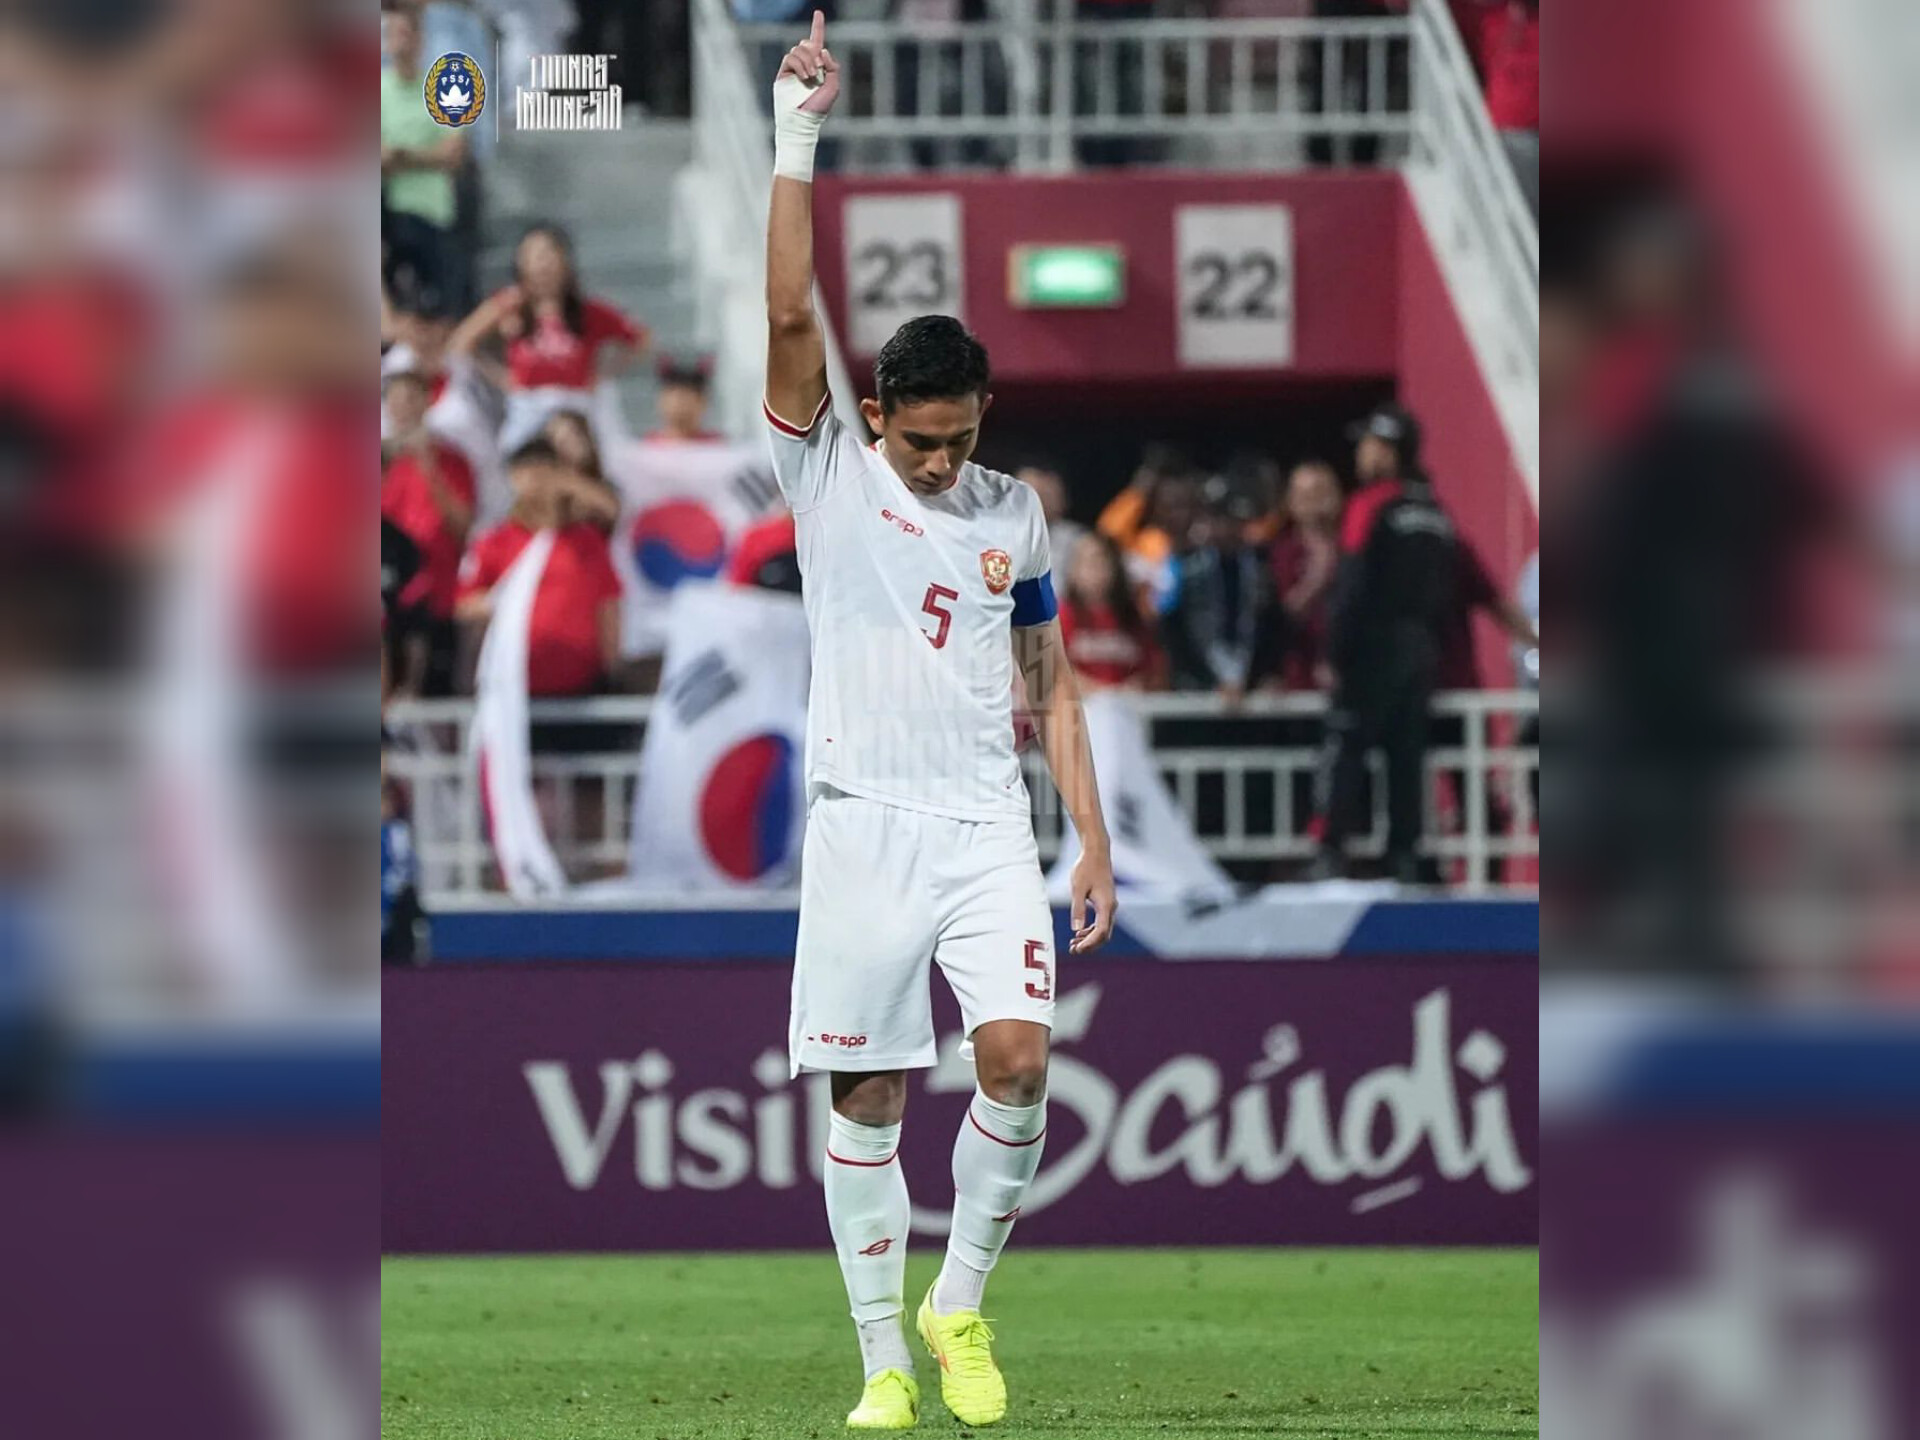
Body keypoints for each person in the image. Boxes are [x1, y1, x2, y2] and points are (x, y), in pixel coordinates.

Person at [764, 16, 1116, 1429]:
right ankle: (882, 1366)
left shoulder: (1014, 514)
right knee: (871, 1099)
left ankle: (958, 1298)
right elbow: (791, 314)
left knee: (1019, 1060)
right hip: (861, 825)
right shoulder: (829, 477)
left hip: (983, 824)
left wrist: (1089, 841)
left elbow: (1053, 678)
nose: (941, 457)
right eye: (921, 437)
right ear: (876, 414)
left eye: (959, 436)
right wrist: (800, 133)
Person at [1309, 404, 1458, 884]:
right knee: (1406, 757)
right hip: (1422, 650)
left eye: (1369, 446)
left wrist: (1334, 652)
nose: (1361, 454)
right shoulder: (1434, 510)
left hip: (1373, 648)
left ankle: (1331, 852)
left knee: (1346, 747)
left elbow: (1351, 583)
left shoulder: (1370, 504)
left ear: (1388, 452)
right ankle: (1405, 856)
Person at [448, 223, 649, 453]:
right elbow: (462, 341)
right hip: (529, 408)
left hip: (575, 407)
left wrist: (603, 373)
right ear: (521, 263)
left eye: (548, 254)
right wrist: (500, 376)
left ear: (564, 260)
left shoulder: (587, 311)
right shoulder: (510, 304)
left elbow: (639, 339)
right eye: (533, 255)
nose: (542, 263)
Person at [382, 370, 477, 696]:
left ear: (427, 402)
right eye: (397, 399)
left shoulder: (451, 460)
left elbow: (462, 527)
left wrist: (430, 468)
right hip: (386, 597)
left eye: (412, 398)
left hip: (437, 595)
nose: (404, 407)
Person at [380, 3, 469, 307]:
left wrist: (402, 154)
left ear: (420, 38)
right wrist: (428, 156)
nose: (400, 40)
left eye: (406, 33)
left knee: (443, 308)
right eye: (393, 33)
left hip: (436, 213)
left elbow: (454, 155)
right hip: (391, 217)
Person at [1268, 459, 1345, 691]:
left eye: (1319, 492)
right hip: (1298, 681)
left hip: (1348, 678)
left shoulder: (1353, 549)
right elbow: (1282, 616)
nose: (1312, 503)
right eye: (1303, 495)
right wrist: (1316, 578)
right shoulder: (1281, 552)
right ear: (1290, 501)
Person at [1058, 531, 1163, 690]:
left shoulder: (1132, 618)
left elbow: (1153, 668)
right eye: (1090, 562)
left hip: (1128, 707)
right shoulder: (1060, 617)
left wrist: (1137, 685)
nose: (1097, 570)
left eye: (1104, 561)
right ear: (1073, 569)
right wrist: (1096, 691)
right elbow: (1051, 668)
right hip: (1078, 708)